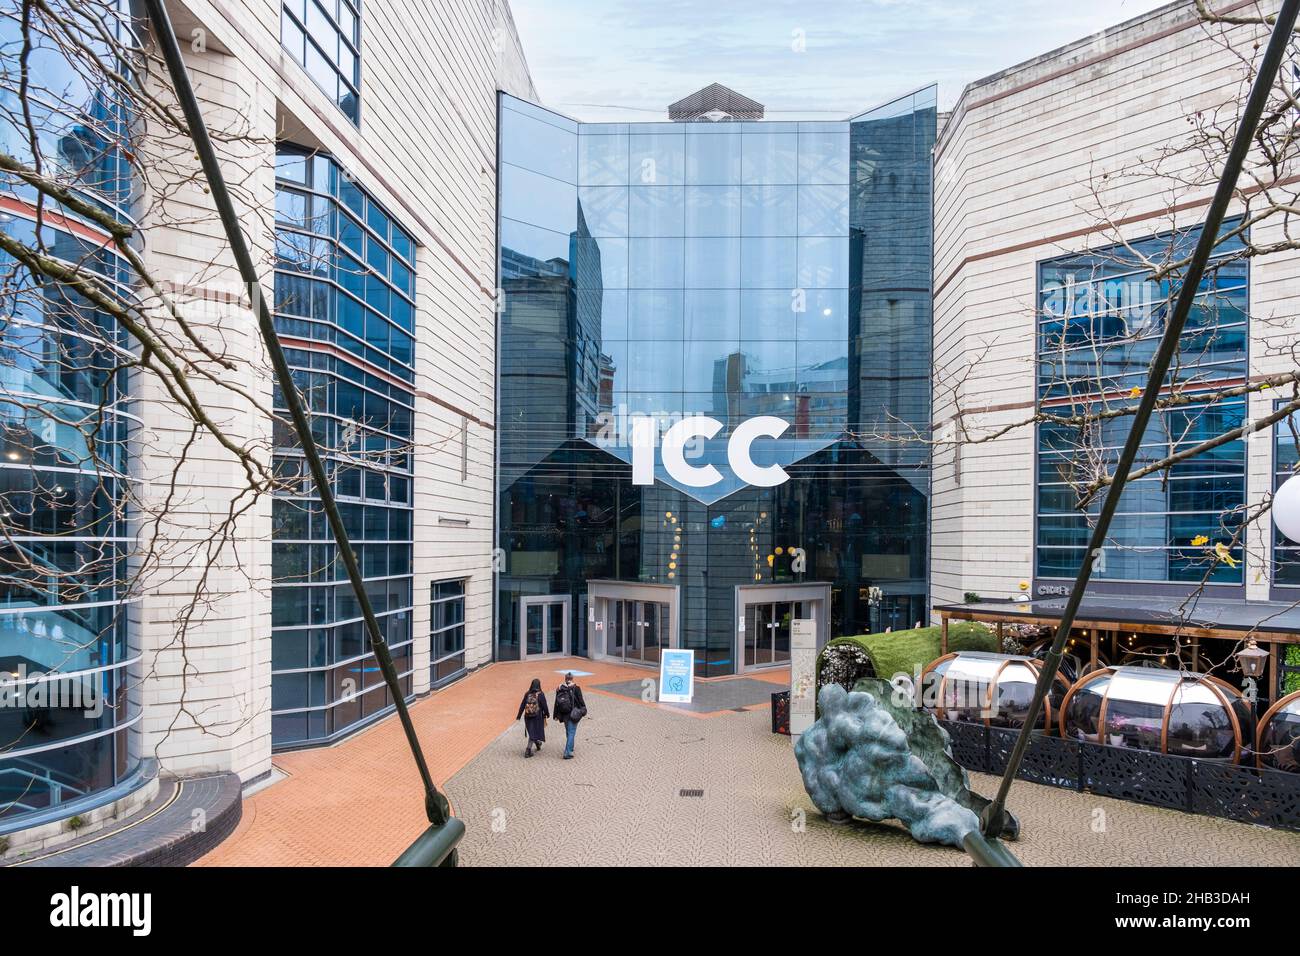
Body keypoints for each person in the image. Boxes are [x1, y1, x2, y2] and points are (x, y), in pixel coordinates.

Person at [553, 671, 587, 760]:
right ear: (572, 679)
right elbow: (581, 701)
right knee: (572, 732)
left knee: (568, 731)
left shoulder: (560, 688)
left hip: (564, 714)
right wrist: (583, 710)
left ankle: (571, 748)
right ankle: (567, 752)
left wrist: (555, 715)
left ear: (565, 679)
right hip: (573, 714)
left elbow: (556, 703)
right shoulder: (576, 688)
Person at [516, 678, 549, 757]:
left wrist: (519, 715)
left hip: (527, 716)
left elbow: (522, 704)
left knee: (532, 731)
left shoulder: (527, 693)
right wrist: (547, 714)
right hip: (537, 716)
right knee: (533, 732)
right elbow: (544, 705)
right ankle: (528, 750)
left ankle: (537, 743)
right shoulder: (540, 694)